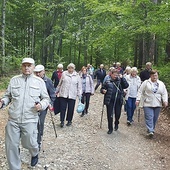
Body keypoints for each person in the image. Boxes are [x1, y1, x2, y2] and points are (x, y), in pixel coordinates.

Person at [0, 58, 50, 169]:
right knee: (11, 146)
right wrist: (3, 102)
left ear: (33, 67)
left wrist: (41, 105)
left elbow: (46, 99)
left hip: (30, 119)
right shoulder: (14, 80)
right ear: (21, 67)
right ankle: (14, 167)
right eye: (24, 65)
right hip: (13, 119)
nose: (26, 67)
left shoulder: (39, 82)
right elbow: (7, 96)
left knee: (29, 143)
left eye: (29, 65)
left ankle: (34, 152)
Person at [136, 70, 168, 138]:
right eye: (153, 75)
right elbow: (140, 91)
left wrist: (165, 101)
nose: (154, 77)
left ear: (157, 76)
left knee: (155, 118)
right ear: (150, 76)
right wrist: (138, 99)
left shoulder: (161, 83)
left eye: (156, 75)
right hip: (147, 103)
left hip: (158, 103)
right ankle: (150, 130)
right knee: (149, 116)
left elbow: (164, 93)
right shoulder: (146, 82)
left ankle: (151, 129)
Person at [34, 64, 56, 150]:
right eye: (36, 72)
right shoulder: (32, 80)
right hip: (32, 106)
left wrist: (51, 103)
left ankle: (38, 141)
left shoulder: (48, 81)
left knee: (40, 122)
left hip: (43, 106)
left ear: (43, 72)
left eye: (39, 72)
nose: (38, 74)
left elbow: (52, 93)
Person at [101, 69, 129, 134]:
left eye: (117, 75)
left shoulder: (120, 81)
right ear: (111, 74)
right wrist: (103, 91)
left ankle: (116, 123)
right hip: (110, 100)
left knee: (117, 114)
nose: (115, 76)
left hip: (118, 100)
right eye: (114, 74)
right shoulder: (107, 81)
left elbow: (126, 85)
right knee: (110, 114)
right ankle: (110, 128)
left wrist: (122, 78)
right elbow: (102, 89)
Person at [56, 63, 82, 127]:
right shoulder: (64, 74)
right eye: (69, 68)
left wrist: (79, 95)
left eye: (72, 68)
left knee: (71, 108)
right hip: (63, 94)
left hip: (72, 95)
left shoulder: (77, 76)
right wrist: (56, 91)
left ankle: (69, 120)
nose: (70, 69)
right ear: (67, 68)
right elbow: (60, 83)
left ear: (74, 68)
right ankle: (62, 121)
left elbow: (79, 86)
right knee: (62, 108)